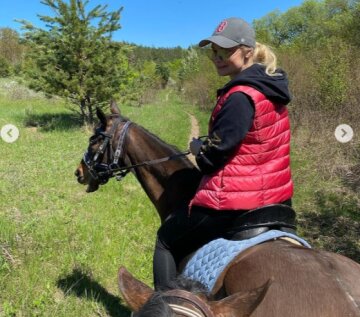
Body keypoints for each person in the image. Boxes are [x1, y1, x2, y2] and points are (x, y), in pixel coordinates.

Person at [153, 17, 293, 290]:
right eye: (214, 52)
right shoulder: (270, 87)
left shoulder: (240, 95)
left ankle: (167, 307)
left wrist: (197, 149)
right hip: (277, 197)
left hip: (238, 201)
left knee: (166, 240)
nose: (218, 57)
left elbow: (211, 159)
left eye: (226, 51)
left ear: (248, 51)